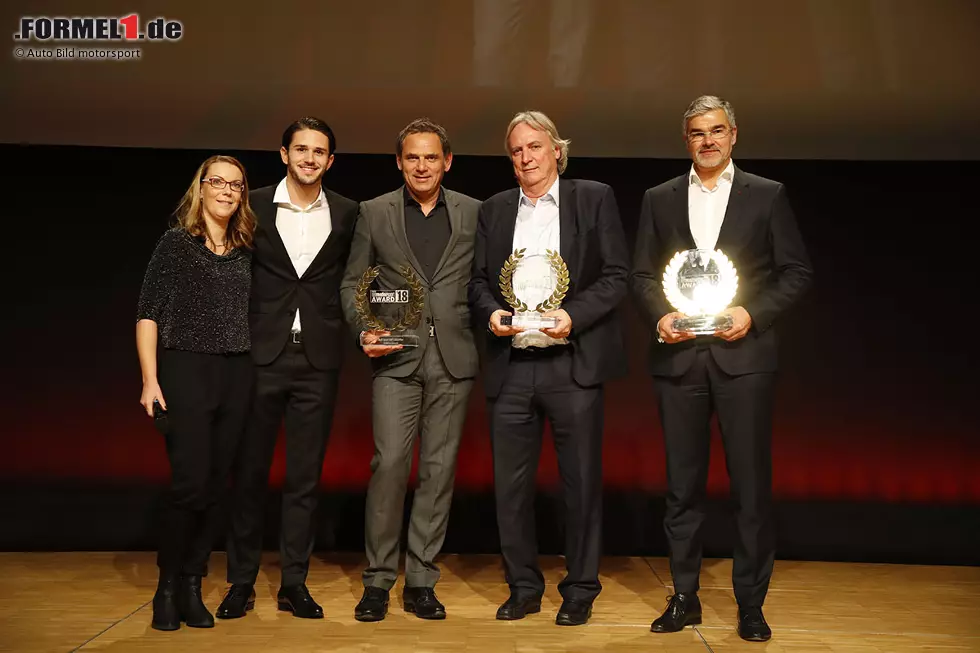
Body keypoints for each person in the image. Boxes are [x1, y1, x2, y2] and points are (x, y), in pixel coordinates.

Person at [630, 95, 813, 642]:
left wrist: (751, 314)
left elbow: (797, 271)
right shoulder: (658, 198)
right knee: (682, 489)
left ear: (733, 135)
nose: (706, 141)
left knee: (750, 488)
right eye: (695, 133)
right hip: (679, 357)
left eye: (716, 131)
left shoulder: (768, 195)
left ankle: (751, 604)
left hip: (745, 360)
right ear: (685, 140)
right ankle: (684, 596)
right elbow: (640, 275)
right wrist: (660, 317)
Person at [468, 110, 629, 626]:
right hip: (511, 366)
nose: (525, 158)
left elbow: (617, 275)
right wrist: (491, 312)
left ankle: (580, 588)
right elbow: (475, 282)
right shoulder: (493, 209)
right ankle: (523, 586)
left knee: (580, 485)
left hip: (572, 364)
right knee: (510, 488)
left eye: (534, 147)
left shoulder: (593, 197)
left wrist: (573, 315)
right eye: (515, 150)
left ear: (557, 150)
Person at [340, 118, 482, 622]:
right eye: (412, 157)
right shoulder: (374, 212)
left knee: (438, 472)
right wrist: (364, 330)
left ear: (447, 161)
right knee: (390, 466)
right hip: (396, 358)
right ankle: (378, 580)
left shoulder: (474, 212)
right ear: (399, 162)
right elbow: (353, 282)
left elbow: (481, 281)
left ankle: (421, 579)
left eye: (431, 157)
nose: (421, 166)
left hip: (454, 358)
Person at [218, 117, 359, 620]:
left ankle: (294, 583)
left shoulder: (347, 213)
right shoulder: (251, 203)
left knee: (304, 478)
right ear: (283, 154)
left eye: (319, 151)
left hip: (317, 360)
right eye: (300, 149)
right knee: (250, 475)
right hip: (260, 356)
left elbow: (353, 280)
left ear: (330, 161)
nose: (309, 158)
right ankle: (240, 582)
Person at [136, 155, 256, 631]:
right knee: (188, 483)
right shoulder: (175, 245)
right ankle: (166, 588)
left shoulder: (248, 249)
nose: (227, 191)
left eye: (236, 185)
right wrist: (150, 380)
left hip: (236, 373)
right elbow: (148, 313)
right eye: (218, 182)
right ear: (201, 189)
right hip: (185, 368)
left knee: (214, 485)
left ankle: (191, 585)